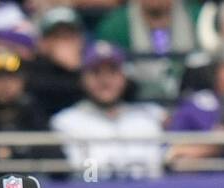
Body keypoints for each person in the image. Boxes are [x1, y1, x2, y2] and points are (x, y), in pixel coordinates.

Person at [51, 41, 167, 179]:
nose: (105, 80)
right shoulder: (66, 121)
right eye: (96, 72)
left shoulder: (149, 117)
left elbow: (158, 171)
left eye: (113, 71)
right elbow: (87, 177)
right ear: (82, 78)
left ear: (124, 76)